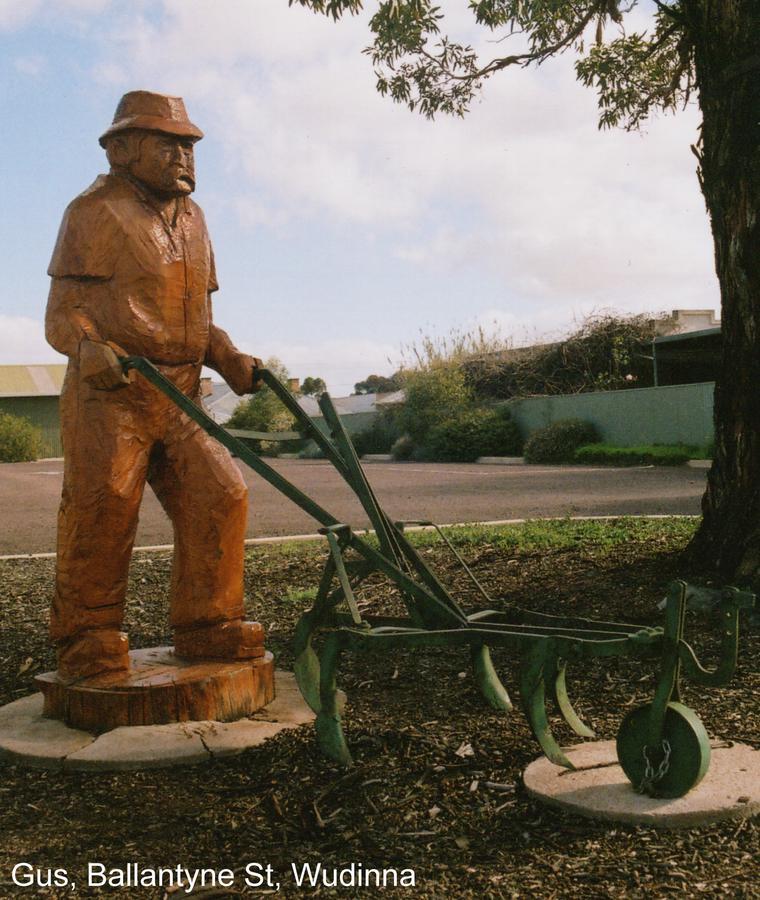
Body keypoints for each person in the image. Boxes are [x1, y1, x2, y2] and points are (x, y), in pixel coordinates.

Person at [45, 91, 265, 680]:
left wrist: (230, 357)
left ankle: (207, 625)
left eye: (189, 145)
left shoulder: (195, 219)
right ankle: (85, 635)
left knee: (220, 494)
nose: (183, 156)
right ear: (121, 149)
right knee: (105, 506)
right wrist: (90, 348)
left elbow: (196, 319)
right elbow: (62, 313)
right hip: (112, 398)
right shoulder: (93, 211)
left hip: (181, 395)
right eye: (168, 143)